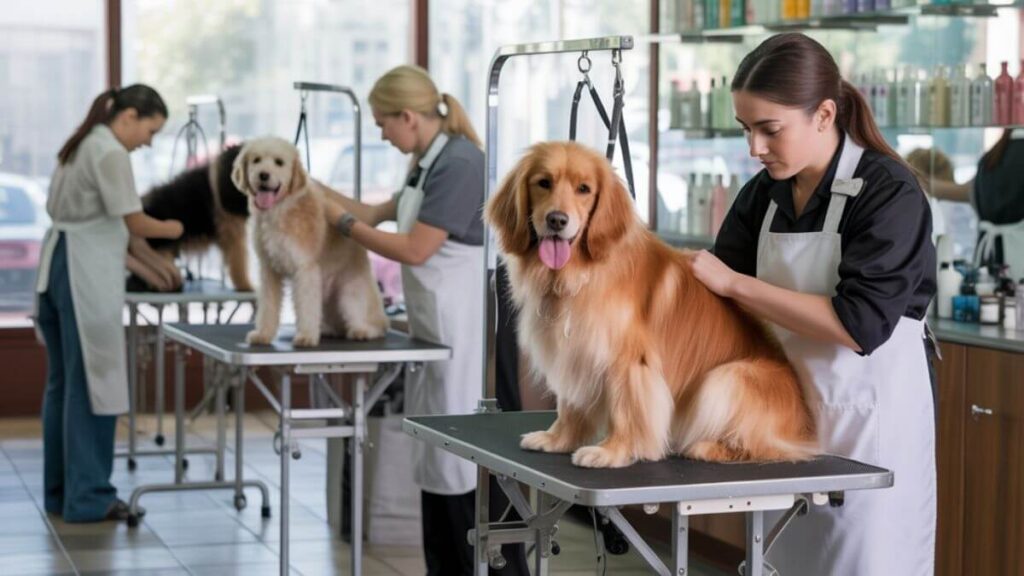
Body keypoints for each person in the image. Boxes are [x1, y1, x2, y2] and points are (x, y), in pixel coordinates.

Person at [689, 33, 936, 575]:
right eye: (746, 129)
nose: (754, 147)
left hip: (869, 441)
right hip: (781, 433)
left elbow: (859, 325)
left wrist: (737, 285)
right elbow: (711, 295)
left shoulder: (889, 192)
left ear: (825, 114)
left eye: (769, 130)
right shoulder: (763, 195)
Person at [322, 65, 485, 576]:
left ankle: (463, 566)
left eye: (382, 123)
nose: (380, 134)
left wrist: (340, 224)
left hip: (457, 330)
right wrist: (309, 190)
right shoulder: (426, 160)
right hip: (430, 329)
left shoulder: (459, 164)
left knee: (453, 460)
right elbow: (372, 216)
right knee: (432, 454)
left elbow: (414, 249)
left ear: (408, 117)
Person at [34, 85, 183, 522]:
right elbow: (134, 220)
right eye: (150, 131)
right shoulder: (110, 152)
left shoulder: (80, 145)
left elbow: (113, 227)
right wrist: (175, 228)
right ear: (130, 116)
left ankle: (62, 494)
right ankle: (90, 497)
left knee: (63, 386)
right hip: (84, 276)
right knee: (93, 386)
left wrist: (153, 264)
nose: (148, 142)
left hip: (57, 268)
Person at [926, 129, 1024, 278]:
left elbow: (965, 191)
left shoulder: (994, 155)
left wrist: (919, 181)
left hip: (988, 261)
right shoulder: (1005, 153)